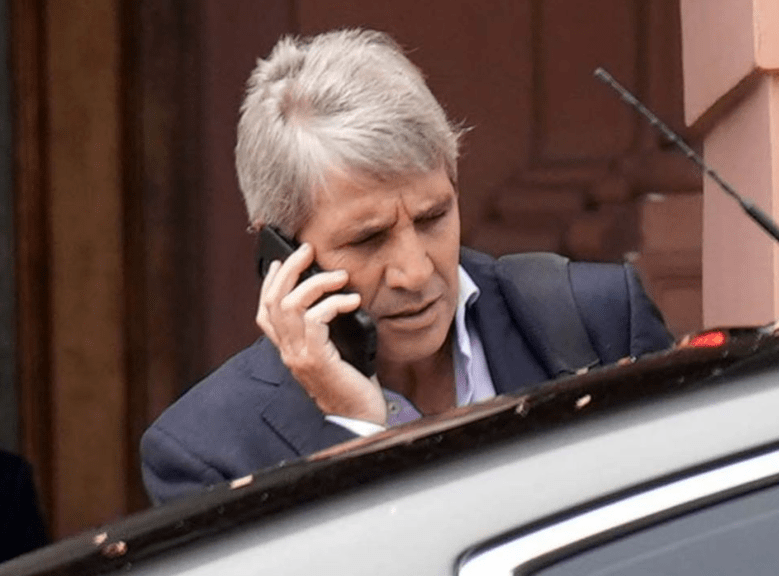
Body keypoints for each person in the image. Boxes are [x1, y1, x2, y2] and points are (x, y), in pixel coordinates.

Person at [141, 28, 673, 505]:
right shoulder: (209, 454)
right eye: (368, 239)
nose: (415, 273)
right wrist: (356, 431)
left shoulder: (602, 320)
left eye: (432, 217)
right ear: (281, 254)